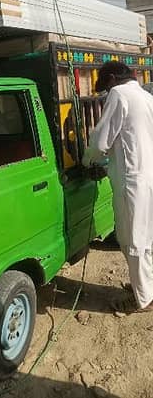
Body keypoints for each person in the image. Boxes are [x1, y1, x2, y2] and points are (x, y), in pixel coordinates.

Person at [83, 61, 153, 313]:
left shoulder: (119, 94)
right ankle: (145, 287)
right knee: (148, 239)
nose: (105, 91)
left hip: (132, 182)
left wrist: (87, 159)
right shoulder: (145, 96)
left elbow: (101, 140)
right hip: (148, 176)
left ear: (112, 79)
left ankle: (143, 299)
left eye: (104, 85)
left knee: (131, 239)